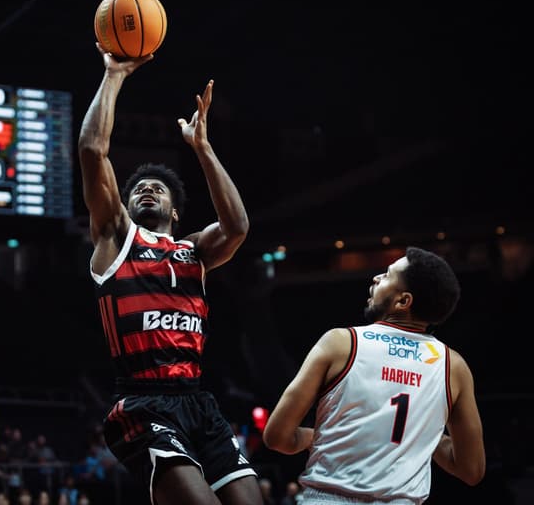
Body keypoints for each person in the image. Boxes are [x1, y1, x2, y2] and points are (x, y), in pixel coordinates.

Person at [78, 42, 260, 505]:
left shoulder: (194, 249)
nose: (146, 191)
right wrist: (115, 74)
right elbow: (91, 150)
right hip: (143, 402)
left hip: (199, 401)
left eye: (157, 188)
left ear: (175, 211)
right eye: (138, 188)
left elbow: (238, 226)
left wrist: (202, 148)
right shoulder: (116, 237)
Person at [262, 247, 486, 504]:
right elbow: (471, 470)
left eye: (388, 275)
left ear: (403, 301)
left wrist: (312, 436)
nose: (376, 278)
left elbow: (277, 437)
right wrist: (421, 429)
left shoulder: (341, 343)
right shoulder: (453, 367)